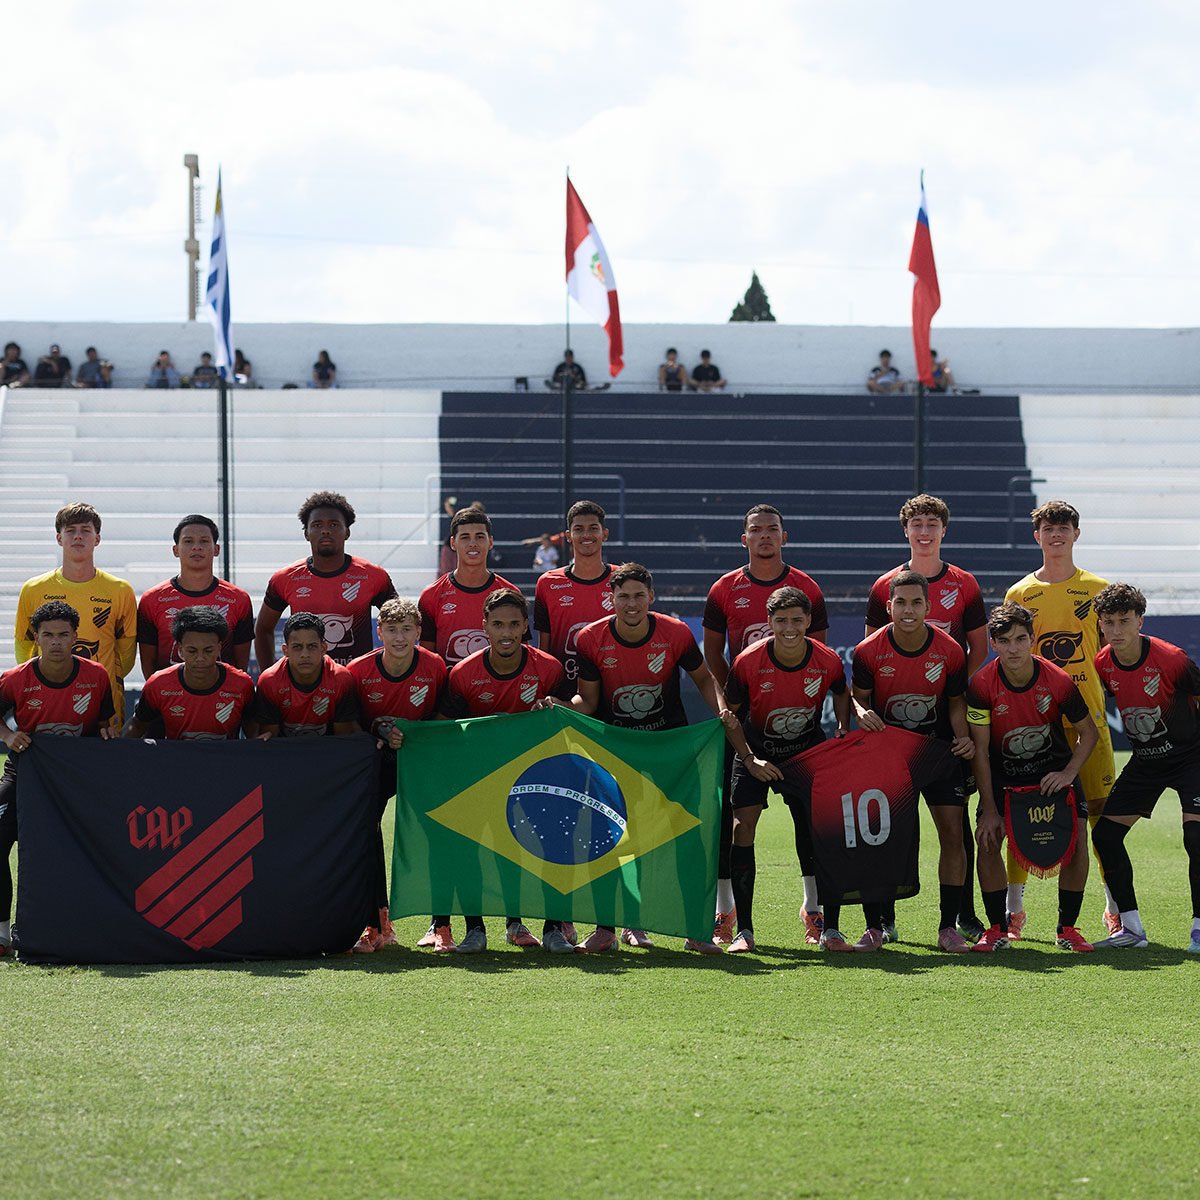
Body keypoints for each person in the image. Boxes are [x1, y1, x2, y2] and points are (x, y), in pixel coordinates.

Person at [567, 562, 731, 954]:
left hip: (669, 751)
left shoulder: (674, 632)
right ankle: (609, 928)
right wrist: (559, 706)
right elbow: (588, 701)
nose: (631, 603)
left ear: (651, 597)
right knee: (609, 839)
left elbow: (705, 679)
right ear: (612, 599)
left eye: (639, 595)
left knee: (685, 839)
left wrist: (722, 711)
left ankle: (695, 929)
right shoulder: (591, 638)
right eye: (623, 596)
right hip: (613, 752)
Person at [702, 503, 829, 946]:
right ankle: (727, 914)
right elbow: (713, 654)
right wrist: (728, 709)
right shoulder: (725, 588)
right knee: (732, 824)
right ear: (745, 539)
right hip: (744, 725)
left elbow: (821, 664)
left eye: (772, 529)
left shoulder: (806, 587)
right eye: (755, 530)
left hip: (799, 733)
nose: (764, 536)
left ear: (784, 536)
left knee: (812, 824)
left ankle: (814, 911)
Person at [864, 493, 988, 942]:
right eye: (916, 524)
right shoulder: (884, 586)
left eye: (932, 524)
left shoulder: (965, 584)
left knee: (954, 824)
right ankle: (883, 919)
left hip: (944, 726)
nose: (924, 531)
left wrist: (954, 689)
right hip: (894, 734)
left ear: (943, 531)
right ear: (906, 531)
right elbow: (871, 654)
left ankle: (964, 915)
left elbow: (979, 648)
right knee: (888, 827)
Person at [1004, 500, 1118, 937]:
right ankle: (1014, 910)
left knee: (1102, 817)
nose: (1056, 535)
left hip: (1088, 717)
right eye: (1048, 529)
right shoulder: (1019, 594)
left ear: (1076, 534)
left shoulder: (1098, 588)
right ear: (1037, 537)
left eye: (1064, 528)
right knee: (1023, 808)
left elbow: (1115, 649)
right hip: (1038, 721)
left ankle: (1114, 909)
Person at [848, 570, 975, 952]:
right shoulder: (868, 650)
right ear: (888, 607)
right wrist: (860, 712)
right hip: (887, 755)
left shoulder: (950, 649)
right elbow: (858, 699)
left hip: (937, 753)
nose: (908, 610)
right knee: (878, 838)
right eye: (900, 602)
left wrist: (964, 736)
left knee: (953, 834)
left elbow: (956, 704)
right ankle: (878, 926)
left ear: (928, 606)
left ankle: (947, 927)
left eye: (916, 602)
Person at [438, 588, 568, 953]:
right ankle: (475, 929)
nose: (506, 632)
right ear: (484, 627)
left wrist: (559, 705)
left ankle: (553, 928)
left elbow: (574, 711)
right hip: (481, 778)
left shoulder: (550, 668)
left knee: (547, 849)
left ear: (526, 625)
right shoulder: (463, 675)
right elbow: (445, 730)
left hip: (537, 778)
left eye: (514, 623)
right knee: (474, 849)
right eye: (498, 624)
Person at [720, 587, 850, 952]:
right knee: (741, 827)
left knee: (820, 831)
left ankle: (824, 924)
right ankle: (743, 930)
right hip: (755, 751)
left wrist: (841, 728)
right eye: (781, 620)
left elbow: (842, 692)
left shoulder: (826, 660)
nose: (789, 627)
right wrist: (749, 759)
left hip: (806, 753)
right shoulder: (747, 662)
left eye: (797, 620)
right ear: (769, 622)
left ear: (809, 621)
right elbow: (730, 718)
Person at [967, 603, 1098, 953]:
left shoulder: (1058, 679)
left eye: (1021, 639)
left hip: (1053, 773)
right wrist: (991, 809)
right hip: (1003, 777)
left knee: (1078, 841)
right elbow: (980, 751)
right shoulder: (981, 685)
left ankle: (1067, 929)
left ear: (1032, 640)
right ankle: (996, 930)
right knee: (989, 838)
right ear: (993, 643)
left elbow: (1089, 732)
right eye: (1005, 640)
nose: (1014, 648)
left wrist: (1068, 773)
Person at [0, 601, 116, 956]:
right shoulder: (14, 678)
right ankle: (2, 933)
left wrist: (107, 736)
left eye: (63, 635)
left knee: (104, 845)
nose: (55, 642)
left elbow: (102, 727)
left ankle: (100, 924)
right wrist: (7, 736)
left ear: (75, 637)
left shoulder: (96, 675)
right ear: (35, 638)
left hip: (78, 779)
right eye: (47, 635)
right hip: (26, 772)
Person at [1089, 583, 1200, 952]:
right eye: (1109, 622)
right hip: (1147, 762)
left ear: (1140, 620)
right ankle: (1131, 930)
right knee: (1104, 836)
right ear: (1100, 625)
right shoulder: (1102, 662)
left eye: (1124, 621)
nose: (1116, 630)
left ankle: (1199, 929)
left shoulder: (1172, 659)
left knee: (1196, 840)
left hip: (1191, 759)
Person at [348, 597, 450, 953]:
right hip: (375, 766)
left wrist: (415, 738)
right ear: (379, 633)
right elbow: (350, 725)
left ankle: (442, 926)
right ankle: (377, 925)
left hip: (421, 765)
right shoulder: (358, 672)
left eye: (407, 629)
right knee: (365, 835)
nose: (400, 637)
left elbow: (444, 719)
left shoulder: (435, 667)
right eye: (391, 629)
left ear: (419, 632)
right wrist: (377, 737)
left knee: (438, 834)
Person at [15, 502, 136, 725]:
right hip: (47, 701)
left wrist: (93, 682)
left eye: (85, 530)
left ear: (97, 539)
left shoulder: (120, 590)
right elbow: (24, 648)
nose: (78, 536)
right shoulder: (33, 589)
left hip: (103, 706)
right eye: (70, 530)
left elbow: (125, 656)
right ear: (59, 538)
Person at [254, 492, 397, 669]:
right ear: (306, 533)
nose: (326, 530)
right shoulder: (285, 579)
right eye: (317, 524)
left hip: (357, 683)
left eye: (334, 524)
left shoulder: (373, 576)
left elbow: (402, 623)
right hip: (305, 684)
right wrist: (271, 678)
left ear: (347, 532)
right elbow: (263, 630)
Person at [137, 514, 254, 677]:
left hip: (220, 697)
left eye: (204, 541)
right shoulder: (152, 600)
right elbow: (148, 665)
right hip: (169, 697)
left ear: (216, 549)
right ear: (176, 550)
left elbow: (240, 666)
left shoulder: (238, 599)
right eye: (188, 541)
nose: (196, 547)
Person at [124, 606, 256, 741]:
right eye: (192, 651)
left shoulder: (242, 684)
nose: (200, 658)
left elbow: (253, 728)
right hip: (176, 761)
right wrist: (115, 747)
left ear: (219, 648)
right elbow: (137, 724)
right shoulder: (159, 684)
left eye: (208, 650)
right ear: (180, 649)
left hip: (227, 761)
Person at [418, 507, 523, 668]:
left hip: (497, 690)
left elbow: (522, 653)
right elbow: (426, 661)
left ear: (490, 542)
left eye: (480, 537)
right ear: (453, 543)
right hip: (448, 690)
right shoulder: (432, 595)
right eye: (465, 537)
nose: (473, 543)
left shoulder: (510, 593)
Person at [250, 613, 360, 738]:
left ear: (323, 648)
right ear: (286, 650)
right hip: (285, 754)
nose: (305, 654)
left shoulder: (341, 679)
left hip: (328, 752)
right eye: (297, 647)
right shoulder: (269, 681)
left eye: (312, 646)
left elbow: (342, 740)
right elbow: (271, 741)